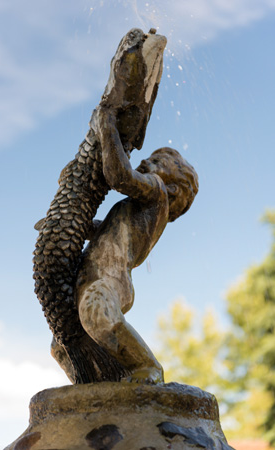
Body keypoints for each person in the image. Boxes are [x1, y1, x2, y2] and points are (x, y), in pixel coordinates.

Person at [74, 107, 199, 384]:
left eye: (156, 161)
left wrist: (107, 128)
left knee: (97, 312)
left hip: (109, 279)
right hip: (92, 275)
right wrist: (73, 226)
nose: (145, 160)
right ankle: (98, 383)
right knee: (64, 345)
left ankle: (148, 367)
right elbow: (104, 231)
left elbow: (119, 176)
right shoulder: (136, 211)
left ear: (173, 189)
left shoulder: (157, 193)